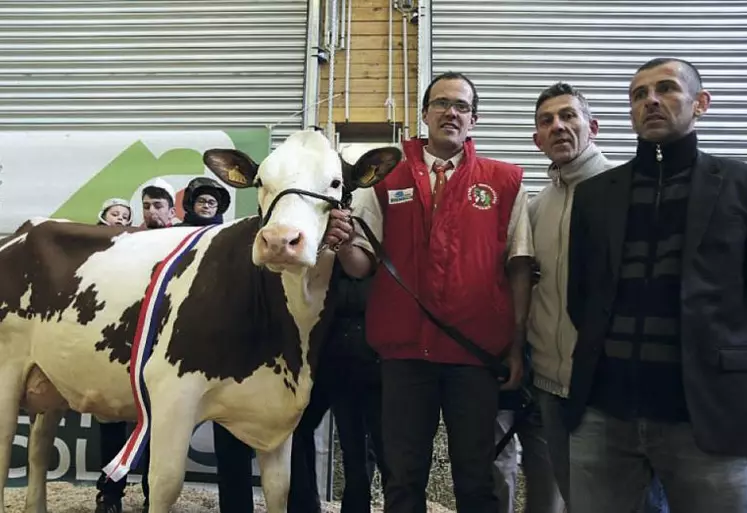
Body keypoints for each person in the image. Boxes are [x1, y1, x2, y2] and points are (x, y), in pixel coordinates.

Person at [326, 71, 534, 513]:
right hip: (404, 356)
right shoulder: (384, 175)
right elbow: (361, 266)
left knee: (476, 478)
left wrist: (516, 345)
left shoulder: (505, 181)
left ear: (474, 120)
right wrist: (343, 241)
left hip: (475, 356)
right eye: (441, 103)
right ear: (424, 114)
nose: (450, 113)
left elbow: (518, 266)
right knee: (403, 478)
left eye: (461, 106)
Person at [566, 57, 747, 513]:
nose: (650, 101)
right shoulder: (596, 194)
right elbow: (581, 296)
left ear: (700, 103)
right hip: (605, 411)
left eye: (666, 89)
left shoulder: (739, 186)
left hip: (706, 414)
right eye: (639, 94)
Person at [524, 82, 668, 513]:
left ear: (594, 126)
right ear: (536, 139)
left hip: (616, 388)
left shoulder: (634, 194)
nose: (559, 127)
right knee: (579, 501)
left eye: (569, 116)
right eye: (547, 120)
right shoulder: (535, 209)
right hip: (552, 387)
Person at [95, 179, 177, 513]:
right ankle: (109, 494)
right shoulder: (126, 242)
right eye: (146, 205)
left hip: (163, 347)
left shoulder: (184, 242)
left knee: (160, 425)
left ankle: (152, 497)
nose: (151, 211)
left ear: (172, 210)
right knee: (113, 416)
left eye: (158, 205)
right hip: (123, 341)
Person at [181, 176, 257, 513]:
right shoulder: (174, 238)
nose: (207, 204)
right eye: (202, 200)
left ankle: (236, 507)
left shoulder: (236, 241)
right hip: (180, 351)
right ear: (191, 205)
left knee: (233, 433)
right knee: (164, 432)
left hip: (226, 352)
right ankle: (154, 501)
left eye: (213, 200)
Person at [288, 262, 387, 513]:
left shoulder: (369, 240)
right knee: (297, 429)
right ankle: (305, 505)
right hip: (325, 355)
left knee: (358, 448)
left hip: (357, 357)